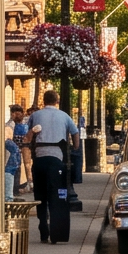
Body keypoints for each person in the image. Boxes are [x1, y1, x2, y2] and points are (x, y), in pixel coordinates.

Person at [28, 90, 79, 242]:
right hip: (56, 160)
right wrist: (75, 146)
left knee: (40, 195)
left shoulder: (35, 115)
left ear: (44, 101)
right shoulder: (64, 116)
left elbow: (29, 133)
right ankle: (57, 230)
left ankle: (43, 227)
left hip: (40, 160)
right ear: (57, 101)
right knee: (57, 195)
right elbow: (75, 132)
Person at [4, 103, 30, 203]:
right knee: (13, 171)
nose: (19, 115)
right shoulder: (10, 125)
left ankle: (15, 189)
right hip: (14, 152)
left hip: (18, 151)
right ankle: (13, 191)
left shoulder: (20, 124)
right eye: (16, 113)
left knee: (16, 171)